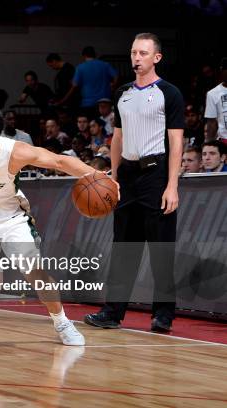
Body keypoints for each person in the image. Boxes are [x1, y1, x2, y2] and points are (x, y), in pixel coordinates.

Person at [0, 106, 117, 346]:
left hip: (10, 218)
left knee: (35, 270)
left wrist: (98, 177)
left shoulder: (14, 153)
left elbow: (58, 161)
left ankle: (62, 322)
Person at [84, 33, 184, 333]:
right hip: (127, 176)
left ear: (156, 57)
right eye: (133, 53)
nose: (136, 58)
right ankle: (112, 313)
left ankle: (163, 314)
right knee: (124, 247)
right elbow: (117, 137)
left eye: (142, 53)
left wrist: (172, 185)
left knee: (161, 248)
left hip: (156, 174)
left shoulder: (170, 93)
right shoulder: (123, 93)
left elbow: (176, 141)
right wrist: (114, 177)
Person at [56, 46, 118, 118]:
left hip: (88, 103)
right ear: (95, 54)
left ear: (84, 55)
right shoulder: (105, 65)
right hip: (104, 102)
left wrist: (62, 100)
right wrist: (113, 86)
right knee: (106, 125)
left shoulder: (80, 67)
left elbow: (74, 85)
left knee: (90, 125)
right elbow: (116, 76)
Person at [204, 58, 227, 144]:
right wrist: (208, 145)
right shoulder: (213, 94)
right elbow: (212, 123)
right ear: (222, 70)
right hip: (224, 141)